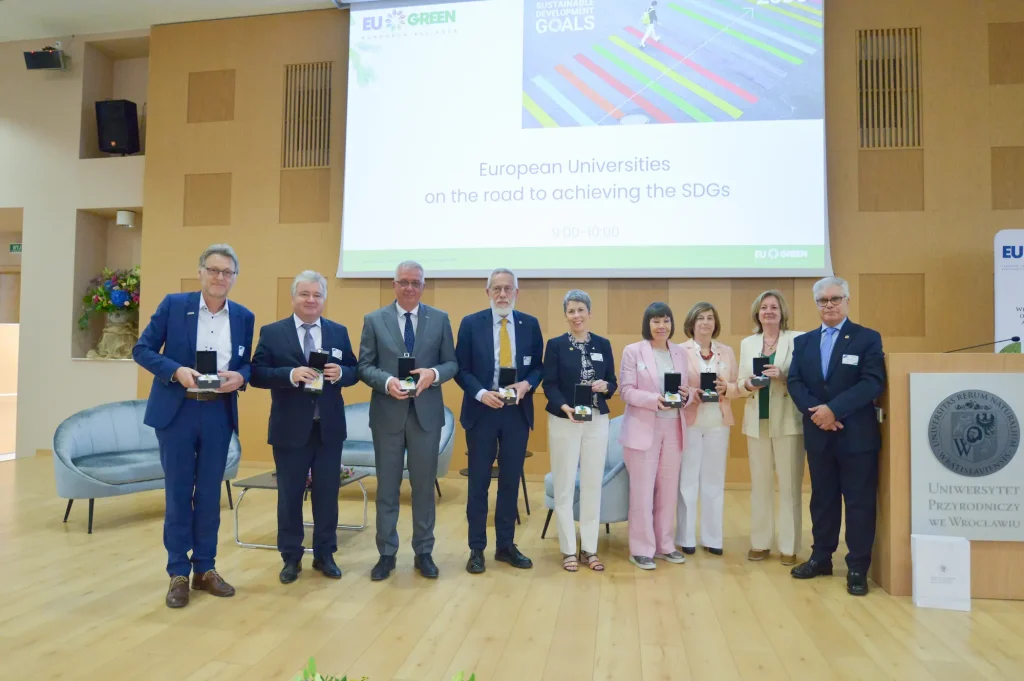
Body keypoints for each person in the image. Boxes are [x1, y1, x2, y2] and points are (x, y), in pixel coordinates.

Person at [133, 244, 255, 609]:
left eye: (227, 272)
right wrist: (175, 371)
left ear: (235, 278)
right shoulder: (174, 305)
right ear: (200, 272)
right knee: (178, 493)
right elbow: (142, 349)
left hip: (218, 412)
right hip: (178, 411)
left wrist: (241, 377)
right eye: (213, 270)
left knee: (209, 496)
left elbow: (247, 363)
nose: (220, 277)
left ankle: (205, 568)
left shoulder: (244, 316)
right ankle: (178, 573)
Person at [250, 271, 358, 584]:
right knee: (289, 496)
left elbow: (355, 370)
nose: (311, 300)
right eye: (305, 294)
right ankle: (291, 557)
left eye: (317, 295)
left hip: (329, 429)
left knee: (328, 495)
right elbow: (256, 373)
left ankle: (325, 554)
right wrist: (289, 374)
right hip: (289, 429)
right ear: (293, 297)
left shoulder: (338, 331)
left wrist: (341, 373)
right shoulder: (273, 333)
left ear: (324, 299)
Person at [357, 260, 458, 581]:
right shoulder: (374, 320)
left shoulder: (440, 319)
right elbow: (364, 366)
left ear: (423, 286)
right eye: (404, 282)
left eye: (416, 282)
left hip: (426, 416)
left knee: (424, 489)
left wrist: (434, 374)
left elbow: (452, 363)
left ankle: (423, 552)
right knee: (387, 488)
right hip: (387, 414)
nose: (410, 287)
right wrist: (387, 382)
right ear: (394, 285)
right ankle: (386, 554)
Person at [787, 276, 886, 596]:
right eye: (823, 300)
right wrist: (819, 414)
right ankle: (821, 558)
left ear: (847, 301)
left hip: (857, 436)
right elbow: (795, 382)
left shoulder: (867, 338)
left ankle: (857, 566)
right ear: (816, 304)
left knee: (859, 502)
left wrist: (834, 410)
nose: (829, 305)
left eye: (835, 299)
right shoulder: (803, 342)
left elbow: (872, 382)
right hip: (819, 434)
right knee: (823, 500)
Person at [455, 268, 543, 574]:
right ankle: (476, 548)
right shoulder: (470, 323)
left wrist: (527, 384)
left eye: (508, 289)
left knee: (509, 482)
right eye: (497, 289)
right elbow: (461, 368)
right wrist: (481, 394)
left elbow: (539, 367)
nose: (502, 294)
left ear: (516, 293)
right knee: (478, 483)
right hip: (482, 412)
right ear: (488, 292)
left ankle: (505, 546)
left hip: (516, 413)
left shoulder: (530, 324)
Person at [542, 289, 617, 572]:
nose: (576, 316)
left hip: (597, 420)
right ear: (565, 315)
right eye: (571, 311)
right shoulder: (556, 345)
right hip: (566, 420)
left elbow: (612, 381)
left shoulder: (603, 344)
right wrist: (565, 408)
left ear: (589, 313)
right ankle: (568, 550)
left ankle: (590, 549)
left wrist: (606, 386)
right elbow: (549, 384)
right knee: (563, 485)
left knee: (592, 484)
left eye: (581, 310)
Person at [618, 302, 694, 570]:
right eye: (656, 321)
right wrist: (654, 399)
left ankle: (665, 545)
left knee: (668, 491)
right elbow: (626, 390)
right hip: (643, 429)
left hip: (674, 428)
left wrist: (687, 396)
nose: (662, 326)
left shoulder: (680, 352)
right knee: (642, 492)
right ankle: (641, 549)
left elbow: (687, 390)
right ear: (647, 324)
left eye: (666, 320)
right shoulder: (633, 351)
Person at [734, 290, 805, 566]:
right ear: (757, 313)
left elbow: (806, 378)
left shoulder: (797, 340)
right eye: (764, 307)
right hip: (757, 421)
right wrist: (748, 384)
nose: (769, 311)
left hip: (787, 421)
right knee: (760, 485)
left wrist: (783, 376)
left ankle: (789, 546)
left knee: (789, 486)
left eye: (774, 307)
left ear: (782, 312)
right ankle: (760, 543)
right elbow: (740, 382)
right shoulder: (748, 343)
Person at [676, 302, 737, 556]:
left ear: (715, 323)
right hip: (691, 421)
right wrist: (694, 393)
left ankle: (713, 538)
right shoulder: (679, 351)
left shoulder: (726, 351)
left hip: (718, 423)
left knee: (714, 480)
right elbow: (675, 386)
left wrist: (726, 388)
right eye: (700, 318)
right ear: (692, 323)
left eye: (710, 318)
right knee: (688, 480)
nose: (705, 322)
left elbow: (735, 385)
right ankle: (686, 536)